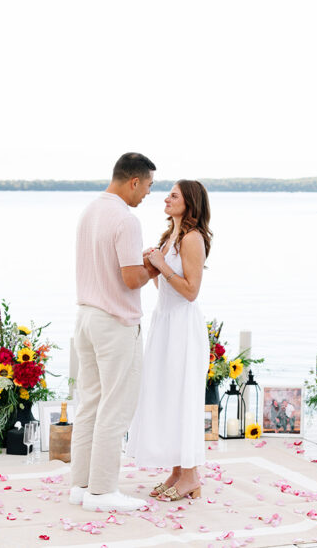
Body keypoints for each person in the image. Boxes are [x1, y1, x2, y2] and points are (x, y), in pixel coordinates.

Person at [69, 152, 157, 513]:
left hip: (86, 318)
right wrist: (153, 265)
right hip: (115, 323)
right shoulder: (126, 219)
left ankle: (82, 485)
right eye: (148, 186)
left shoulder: (89, 211)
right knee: (115, 409)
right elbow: (131, 277)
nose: (148, 194)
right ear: (133, 181)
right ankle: (103, 492)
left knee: (89, 403)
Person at [127, 180, 213, 502]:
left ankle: (190, 475)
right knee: (167, 395)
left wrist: (162, 266)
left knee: (183, 396)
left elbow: (190, 292)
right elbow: (165, 288)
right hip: (163, 323)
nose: (165, 198)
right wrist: (153, 264)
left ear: (189, 202)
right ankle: (178, 472)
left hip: (183, 328)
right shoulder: (169, 237)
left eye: (173, 195)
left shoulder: (193, 238)